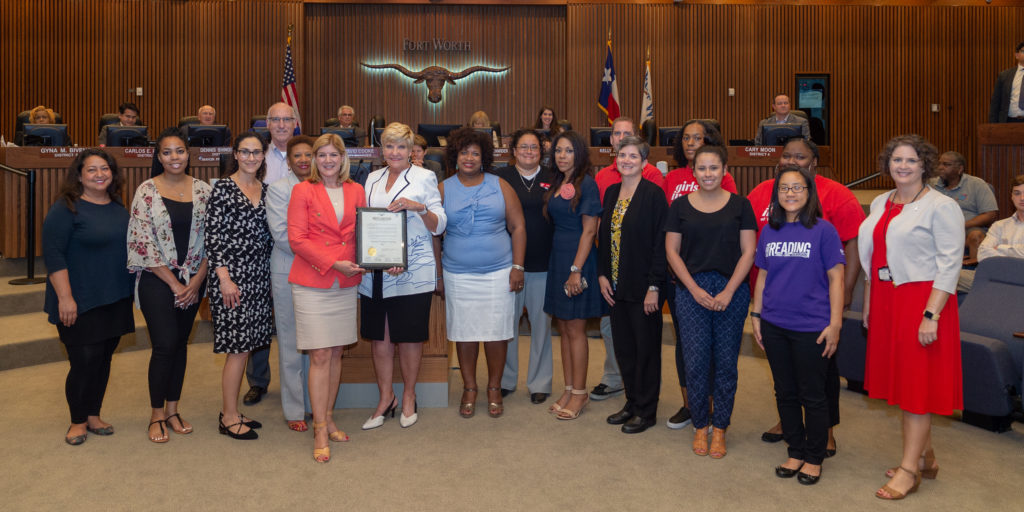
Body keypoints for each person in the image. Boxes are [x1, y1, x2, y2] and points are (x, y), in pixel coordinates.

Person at [858, 134, 964, 500]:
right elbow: (873, 258)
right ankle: (925, 457)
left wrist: (931, 314)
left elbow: (950, 264)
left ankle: (909, 470)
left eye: (910, 161)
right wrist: (870, 303)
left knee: (917, 385)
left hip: (922, 301)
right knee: (905, 382)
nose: (902, 166)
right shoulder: (881, 202)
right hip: (887, 299)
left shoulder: (941, 206)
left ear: (924, 166)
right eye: (896, 160)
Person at [748, 138, 865, 452]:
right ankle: (790, 424)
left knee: (821, 374)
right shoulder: (763, 192)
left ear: (814, 162)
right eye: (786, 155)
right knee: (785, 376)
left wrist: (847, 293)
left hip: (817, 307)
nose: (791, 161)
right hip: (776, 304)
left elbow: (852, 245)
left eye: (800, 157)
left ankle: (825, 431)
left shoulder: (836, 195)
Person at [750, 165, 845, 485]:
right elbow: (762, 276)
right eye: (784, 188)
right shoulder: (769, 231)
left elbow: (837, 279)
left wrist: (835, 324)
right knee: (785, 391)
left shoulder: (824, 230)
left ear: (809, 193)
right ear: (777, 195)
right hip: (775, 323)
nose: (790, 193)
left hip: (812, 327)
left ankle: (815, 456)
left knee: (812, 394)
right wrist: (756, 315)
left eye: (797, 187)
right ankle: (796, 449)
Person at [665, 145, 757, 458]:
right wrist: (693, 289)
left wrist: (730, 291)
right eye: (702, 168)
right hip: (692, 291)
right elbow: (672, 252)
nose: (708, 174)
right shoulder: (679, 206)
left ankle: (720, 429)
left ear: (725, 170)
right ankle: (700, 426)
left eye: (714, 168)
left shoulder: (741, 205)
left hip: (731, 288)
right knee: (696, 361)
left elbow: (749, 252)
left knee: (726, 363)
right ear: (693, 172)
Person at [43, 148, 133, 446]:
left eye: (105, 168)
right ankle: (77, 420)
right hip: (79, 298)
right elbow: (54, 256)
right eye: (92, 170)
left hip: (114, 296)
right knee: (84, 361)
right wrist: (65, 298)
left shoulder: (118, 206)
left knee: (104, 359)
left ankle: (93, 414)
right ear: (79, 175)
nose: (99, 174)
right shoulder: (66, 207)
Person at [359, 123, 446, 430]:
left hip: (412, 269)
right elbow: (366, 223)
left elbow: (439, 224)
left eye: (401, 147)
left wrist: (418, 207)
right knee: (380, 338)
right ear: (382, 149)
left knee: (409, 337)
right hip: (377, 270)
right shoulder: (371, 178)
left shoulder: (425, 177)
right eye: (389, 146)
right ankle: (386, 398)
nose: (395, 152)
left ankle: (409, 395)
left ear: (412, 151)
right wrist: (375, 257)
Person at [127, 128, 211, 443]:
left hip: (194, 281)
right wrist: (176, 285)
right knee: (164, 344)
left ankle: (173, 410)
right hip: (157, 280)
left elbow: (212, 243)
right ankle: (156, 414)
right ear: (158, 156)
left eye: (179, 151)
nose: (174, 157)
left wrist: (196, 281)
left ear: (188, 155)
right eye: (167, 152)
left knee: (179, 345)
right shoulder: (147, 190)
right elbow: (141, 243)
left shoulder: (204, 191)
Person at [287, 133, 366, 462]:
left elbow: (367, 233)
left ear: (343, 158)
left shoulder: (356, 190)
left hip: (346, 284)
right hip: (313, 281)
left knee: (335, 354)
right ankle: (320, 427)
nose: (328, 160)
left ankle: (329, 415)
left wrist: (379, 257)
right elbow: (297, 239)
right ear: (314, 160)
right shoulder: (303, 190)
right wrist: (333, 263)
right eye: (322, 155)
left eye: (334, 155)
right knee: (319, 355)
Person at [441, 127, 526, 418]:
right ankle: (469, 387)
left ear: (484, 157)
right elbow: (434, 234)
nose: (469, 158)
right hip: (457, 273)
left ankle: (493, 387)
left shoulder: (500, 185)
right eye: (464, 152)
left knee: (496, 333)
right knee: (464, 333)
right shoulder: (443, 188)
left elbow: (518, 227)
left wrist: (517, 266)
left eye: (475, 153)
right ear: (455, 155)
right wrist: (438, 274)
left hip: (498, 272)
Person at [660, 119, 738, 430]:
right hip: (678, 272)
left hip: (713, 273)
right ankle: (690, 403)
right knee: (686, 342)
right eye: (687, 138)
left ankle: (714, 406)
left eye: (698, 137)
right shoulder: (673, 178)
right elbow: (666, 226)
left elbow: (730, 223)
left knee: (715, 344)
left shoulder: (725, 178)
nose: (691, 142)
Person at [591, 116, 666, 403]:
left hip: (643, 287)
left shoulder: (654, 194)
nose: (626, 159)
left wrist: (655, 287)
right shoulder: (610, 192)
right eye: (622, 154)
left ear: (644, 162)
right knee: (624, 349)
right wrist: (601, 275)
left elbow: (661, 244)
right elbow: (603, 237)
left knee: (645, 350)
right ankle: (631, 403)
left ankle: (645, 410)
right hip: (616, 288)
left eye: (633, 155)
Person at [206, 132, 274, 440]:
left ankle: (232, 409)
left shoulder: (266, 189)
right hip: (231, 280)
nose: (250, 157)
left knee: (246, 347)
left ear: (263, 156)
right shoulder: (222, 188)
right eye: (244, 151)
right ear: (235, 154)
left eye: (256, 152)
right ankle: (228, 416)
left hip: (259, 277)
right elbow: (213, 237)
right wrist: (224, 279)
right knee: (237, 349)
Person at [544, 130, 605, 420]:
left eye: (568, 151)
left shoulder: (587, 184)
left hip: (577, 261)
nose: (562, 156)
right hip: (559, 258)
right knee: (564, 329)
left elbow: (590, 230)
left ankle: (580, 394)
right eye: (558, 151)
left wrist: (575, 270)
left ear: (578, 154)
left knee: (576, 329)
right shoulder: (559, 182)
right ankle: (569, 388)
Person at [495, 129, 556, 404]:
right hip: (508, 264)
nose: (529, 151)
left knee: (541, 326)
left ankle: (540, 382)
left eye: (534, 147)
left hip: (544, 263)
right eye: (523, 147)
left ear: (540, 152)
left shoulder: (553, 178)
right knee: (506, 326)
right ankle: (506, 379)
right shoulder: (500, 178)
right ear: (514, 151)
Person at [242, 101, 297, 406]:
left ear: (294, 122)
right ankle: (258, 381)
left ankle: (299, 379)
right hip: (260, 240)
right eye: (274, 120)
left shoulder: (307, 153)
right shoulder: (257, 154)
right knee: (260, 313)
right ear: (267, 124)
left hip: (297, 243)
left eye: (286, 119)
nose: (280, 125)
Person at [265, 134, 316, 432]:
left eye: (308, 154)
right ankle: (295, 408)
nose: (303, 160)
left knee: (317, 341)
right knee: (290, 340)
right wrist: (321, 256)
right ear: (289, 161)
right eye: (297, 156)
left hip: (321, 273)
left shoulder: (325, 186)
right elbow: (282, 235)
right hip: (289, 269)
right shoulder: (279, 189)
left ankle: (314, 402)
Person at [931, 151, 998, 259]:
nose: (941, 167)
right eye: (939, 164)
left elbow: (990, 214)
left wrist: (960, 225)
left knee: (976, 235)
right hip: (937, 229)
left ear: (960, 169)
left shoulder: (977, 184)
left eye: (946, 164)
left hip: (967, 229)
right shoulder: (931, 185)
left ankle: (973, 272)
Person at [988, 41, 1024, 123]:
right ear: (1017, 55)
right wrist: (993, 126)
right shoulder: (1004, 75)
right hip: (1009, 121)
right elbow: (995, 103)